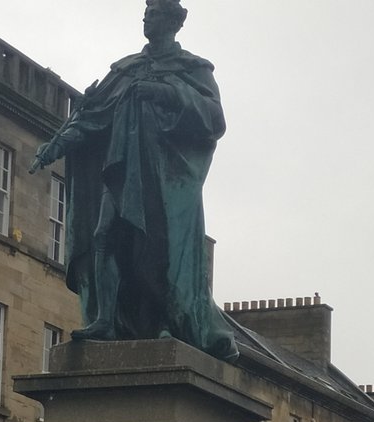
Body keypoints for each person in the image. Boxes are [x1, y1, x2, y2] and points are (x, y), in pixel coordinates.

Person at [35, 0, 238, 361]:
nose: (146, 17)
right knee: (104, 235)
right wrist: (55, 147)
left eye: (155, 12)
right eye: (145, 12)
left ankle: (163, 320)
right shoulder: (126, 69)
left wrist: (167, 93)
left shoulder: (192, 68)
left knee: (155, 247)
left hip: (161, 176)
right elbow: (93, 116)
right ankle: (106, 321)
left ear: (174, 21)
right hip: (121, 172)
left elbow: (213, 117)